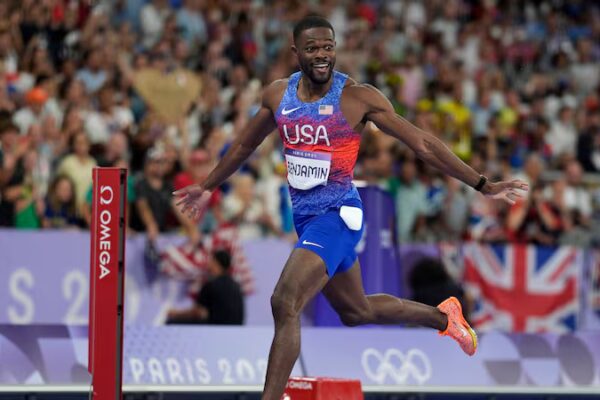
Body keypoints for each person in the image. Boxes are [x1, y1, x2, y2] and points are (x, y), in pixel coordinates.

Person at [174, 16, 528, 400]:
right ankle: (444, 318)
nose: (322, 55)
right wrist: (207, 185)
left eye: (328, 47)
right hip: (307, 221)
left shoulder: (357, 98)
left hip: (339, 216)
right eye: (312, 48)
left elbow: (423, 144)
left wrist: (482, 184)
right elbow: (245, 145)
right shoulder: (278, 96)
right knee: (356, 312)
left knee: (284, 301)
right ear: (296, 52)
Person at [166, 249, 244, 325]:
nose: (208, 263)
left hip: (215, 329)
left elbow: (197, 313)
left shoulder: (211, 285)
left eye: (211, 260)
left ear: (216, 263)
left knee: (171, 323)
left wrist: (176, 314)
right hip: (236, 329)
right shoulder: (236, 286)